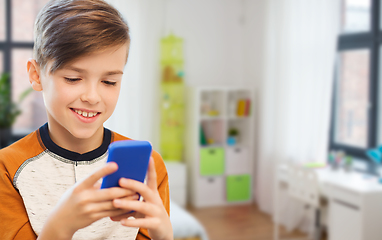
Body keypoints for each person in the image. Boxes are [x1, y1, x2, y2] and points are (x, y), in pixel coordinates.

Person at [0, 0, 173, 239]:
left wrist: (164, 236)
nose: (92, 97)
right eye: (73, 78)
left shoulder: (149, 166)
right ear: (36, 75)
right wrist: (59, 227)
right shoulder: (7, 169)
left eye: (109, 82)